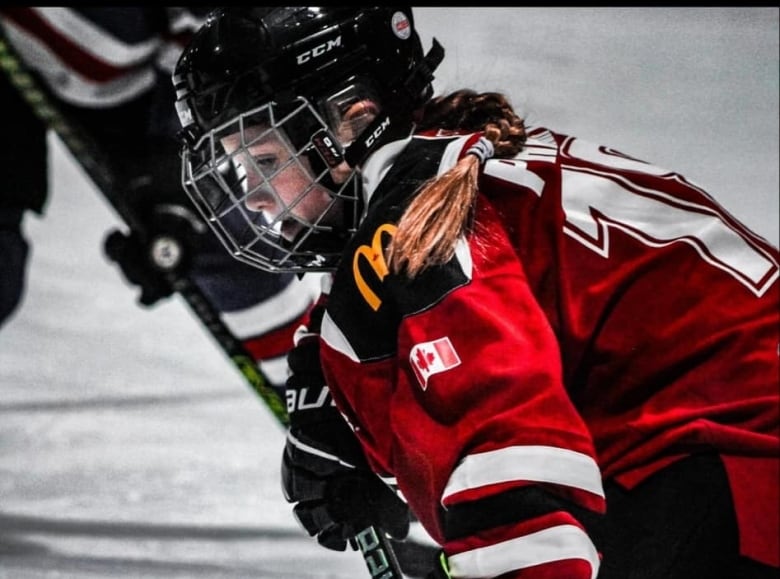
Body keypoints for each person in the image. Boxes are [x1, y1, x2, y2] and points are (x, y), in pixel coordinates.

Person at [171, 7, 779, 579]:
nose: (252, 193)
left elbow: (507, 455)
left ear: (352, 121)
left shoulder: (426, 229)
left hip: (739, 467)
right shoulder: (445, 180)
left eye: (266, 158)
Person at [0, 7, 321, 391]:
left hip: (138, 87)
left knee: (214, 225)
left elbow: (209, 30)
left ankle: (312, 390)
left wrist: (173, 156)